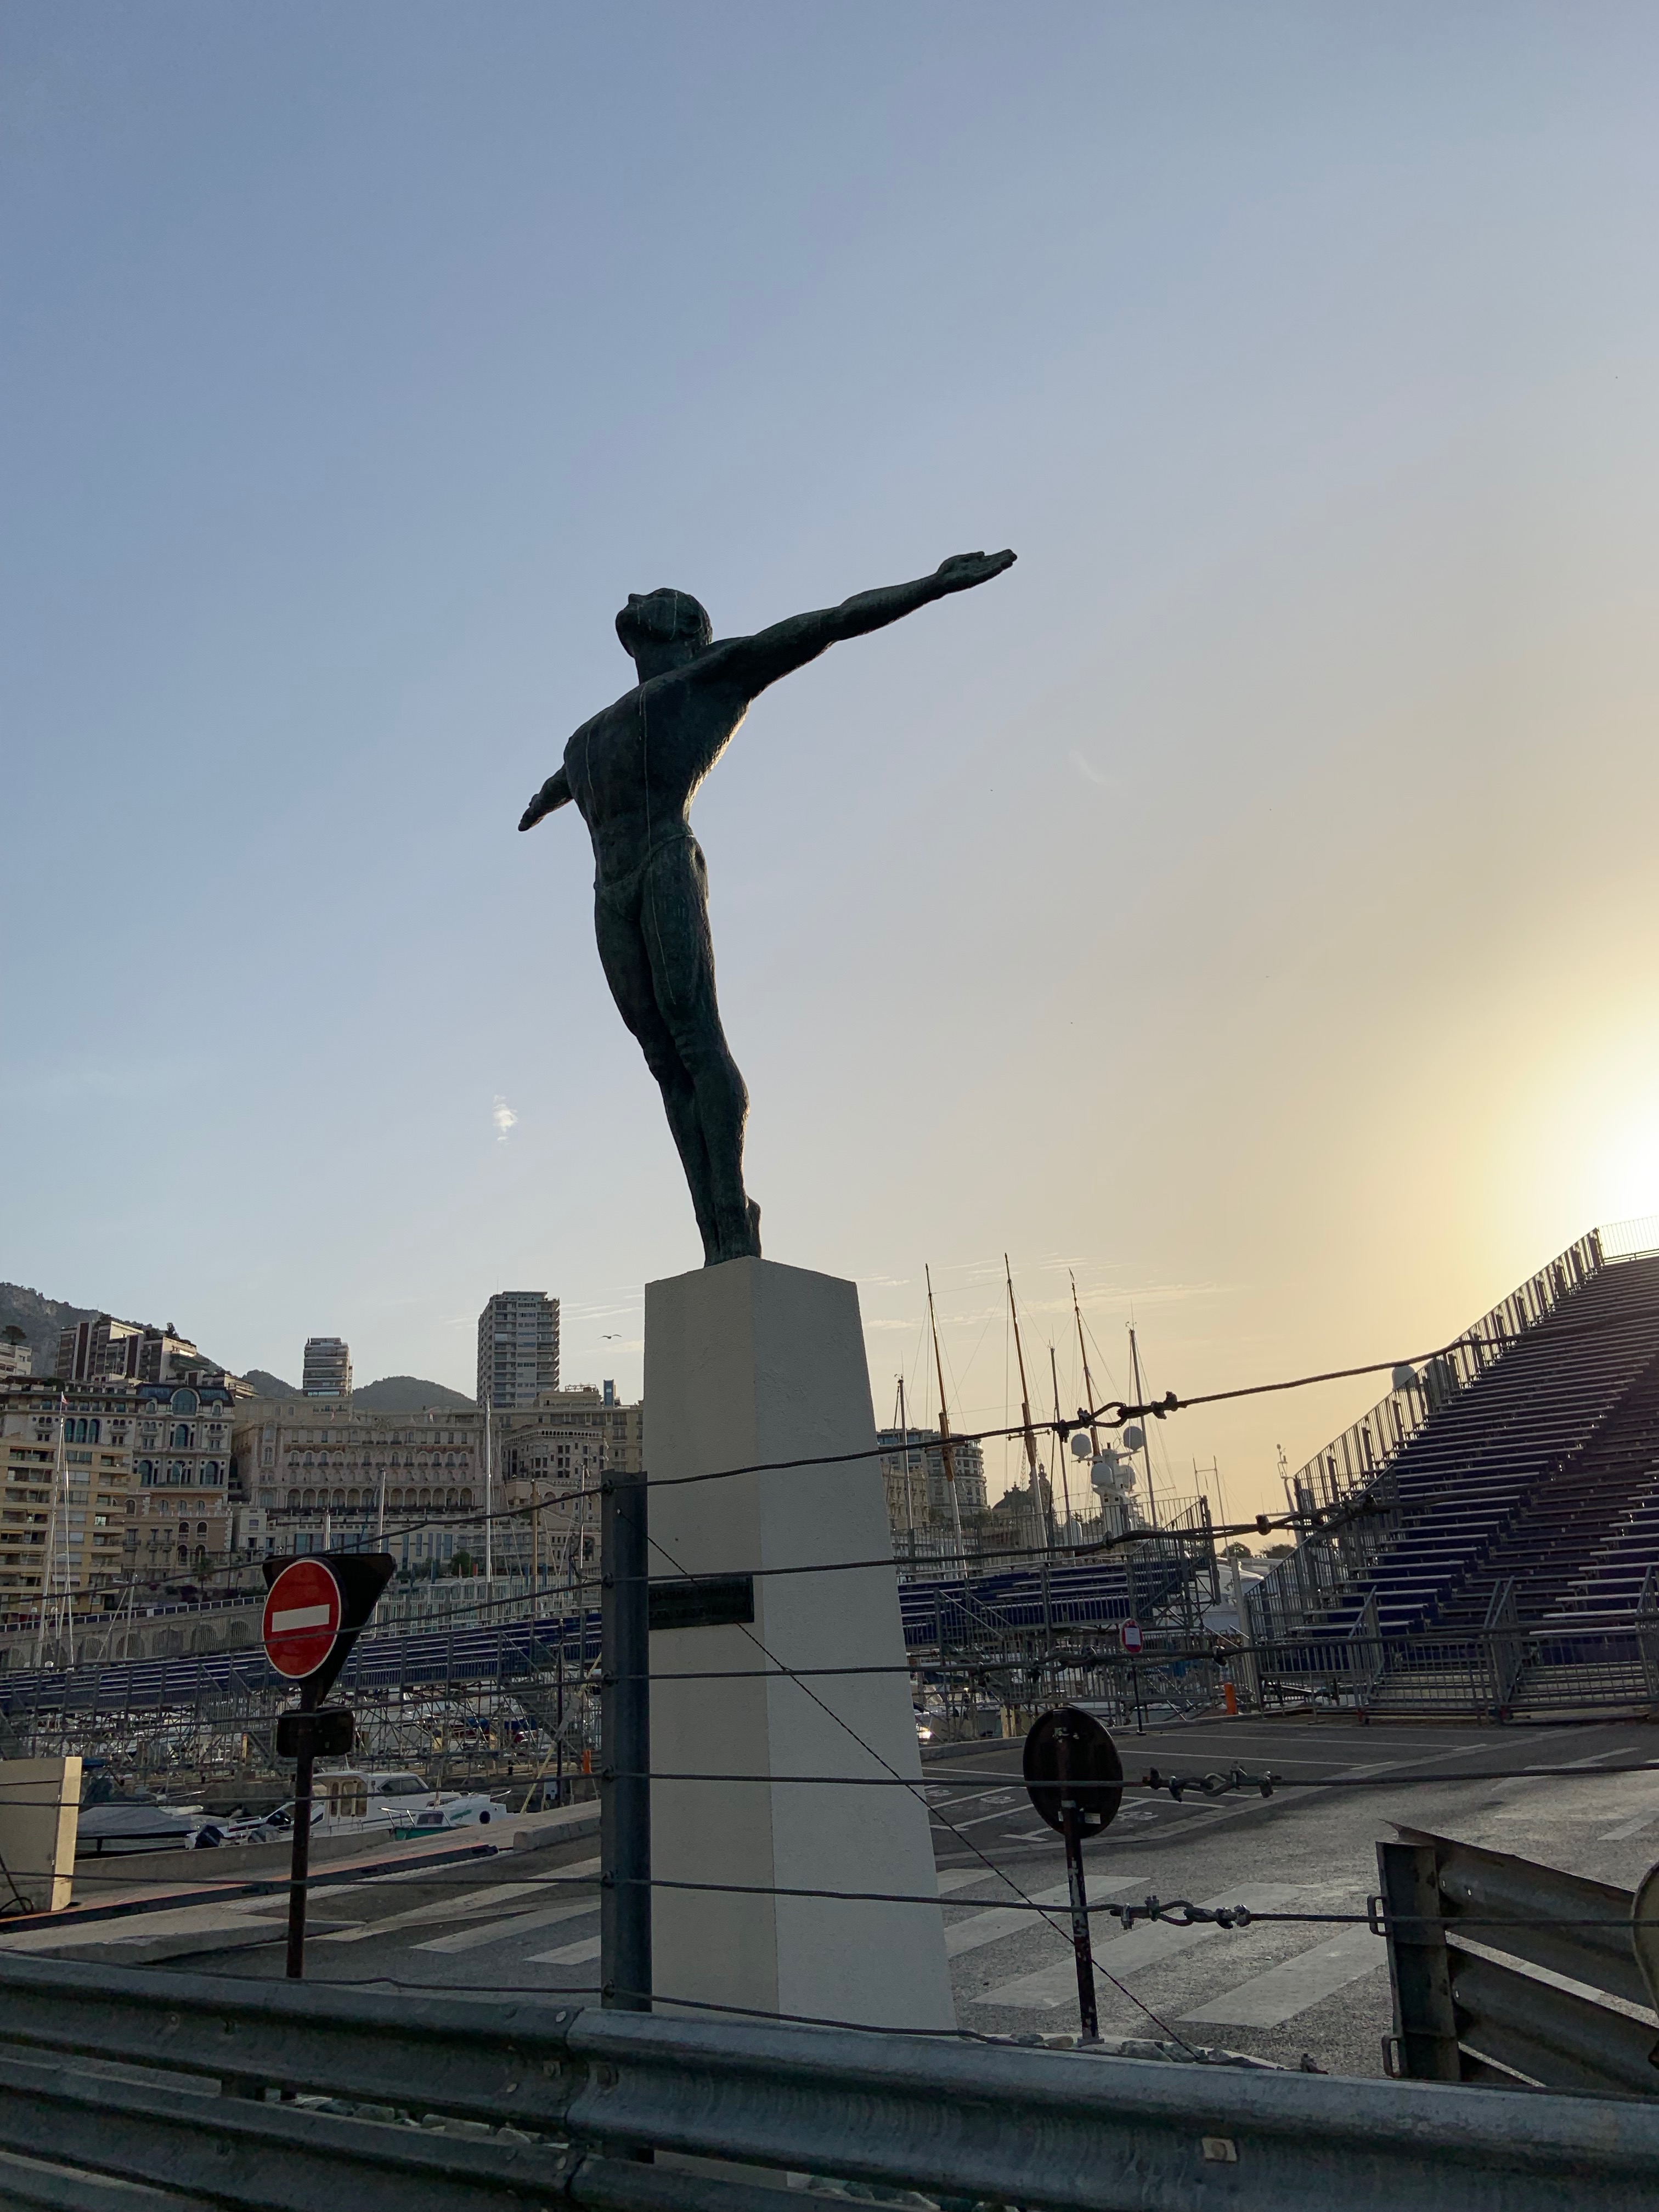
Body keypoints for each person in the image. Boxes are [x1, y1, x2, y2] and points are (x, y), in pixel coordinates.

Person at [520, 549, 1017, 1265]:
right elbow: (563, 780)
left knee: (695, 1042)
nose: (637, 591)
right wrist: (543, 801)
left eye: (659, 592)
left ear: (689, 629)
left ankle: (732, 1209)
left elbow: (831, 622)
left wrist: (933, 586)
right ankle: (712, 1228)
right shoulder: (586, 734)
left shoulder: (714, 672)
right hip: (610, 888)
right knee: (662, 1060)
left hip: (663, 861)